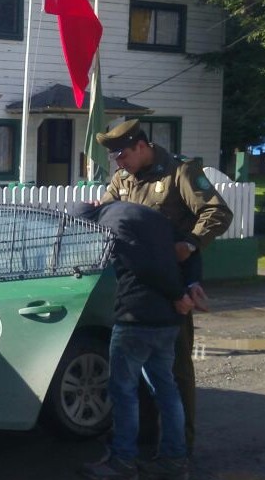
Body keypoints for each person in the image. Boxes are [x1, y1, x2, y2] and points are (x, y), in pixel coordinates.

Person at [95, 118, 234, 455]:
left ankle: (179, 448)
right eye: (116, 159)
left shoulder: (180, 172)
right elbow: (107, 211)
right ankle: (143, 442)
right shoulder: (123, 180)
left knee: (174, 373)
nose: (120, 163)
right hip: (136, 286)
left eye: (124, 155)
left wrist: (190, 243)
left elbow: (217, 212)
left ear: (142, 146)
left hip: (173, 286)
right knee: (137, 375)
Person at [73, 201, 194, 480]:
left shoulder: (112, 224)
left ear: (90, 221)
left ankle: (123, 461)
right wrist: (188, 288)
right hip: (167, 321)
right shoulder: (148, 215)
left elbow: (142, 265)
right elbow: (187, 250)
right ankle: (175, 459)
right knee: (165, 388)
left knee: (123, 391)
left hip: (136, 318)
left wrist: (178, 293)